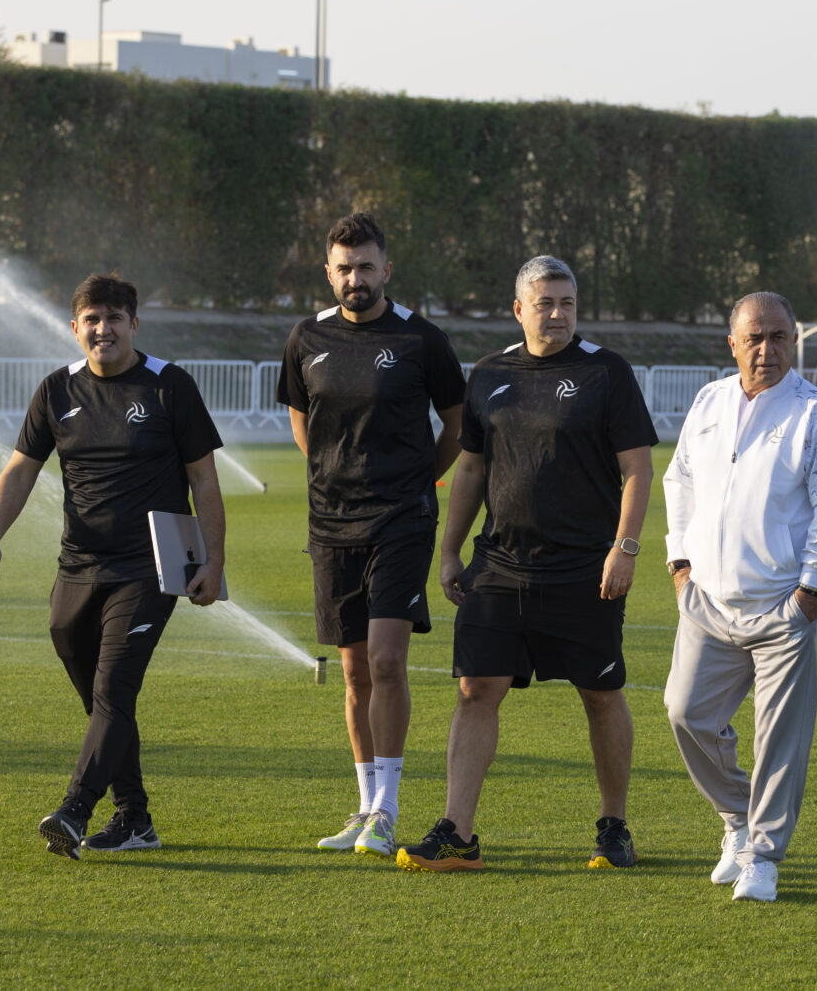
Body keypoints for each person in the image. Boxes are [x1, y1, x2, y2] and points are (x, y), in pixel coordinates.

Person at [396, 255, 657, 872]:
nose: (559, 313)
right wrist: (451, 549)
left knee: (601, 695)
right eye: (546, 303)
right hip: (501, 565)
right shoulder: (489, 374)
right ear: (519, 309)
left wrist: (624, 547)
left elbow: (637, 468)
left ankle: (614, 827)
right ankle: (458, 833)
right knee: (474, 691)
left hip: (584, 571)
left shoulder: (607, 373)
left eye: (568, 302)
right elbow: (470, 468)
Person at [0, 273, 226, 860]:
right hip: (77, 566)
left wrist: (213, 561)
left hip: (149, 568)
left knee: (112, 690)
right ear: (75, 327)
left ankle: (74, 810)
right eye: (92, 319)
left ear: (134, 325)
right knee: (105, 704)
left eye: (114, 318)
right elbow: (20, 470)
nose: (103, 329)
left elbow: (203, 479)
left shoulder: (168, 386)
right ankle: (135, 820)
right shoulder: (57, 390)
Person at [277, 212, 466, 858]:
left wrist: (418, 482)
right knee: (354, 669)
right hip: (331, 523)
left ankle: (387, 808)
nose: (355, 278)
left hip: (401, 518)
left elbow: (457, 425)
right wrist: (331, 477)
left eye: (366, 266)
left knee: (387, 659)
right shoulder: (306, 337)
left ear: (387, 268)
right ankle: (363, 806)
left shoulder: (421, 339)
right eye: (343, 267)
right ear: (328, 272)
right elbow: (303, 421)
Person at [661, 292, 817, 903]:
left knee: (780, 741)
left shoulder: (816, 411)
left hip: (782, 604)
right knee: (685, 712)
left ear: (793, 342)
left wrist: (812, 585)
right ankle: (737, 821)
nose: (766, 350)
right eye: (755, 338)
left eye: (779, 337)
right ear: (733, 343)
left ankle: (765, 858)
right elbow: (681, 479)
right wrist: (679, 562)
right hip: (708, 600)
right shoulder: (709, 401)